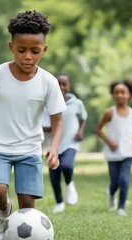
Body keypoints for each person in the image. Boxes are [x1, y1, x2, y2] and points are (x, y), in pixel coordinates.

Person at [0, 10, 66, 240]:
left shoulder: (48, 82)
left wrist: (55, 148)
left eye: (35, 51)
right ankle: (3, 211)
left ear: (44, 50)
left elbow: (58, 119)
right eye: (21, 50)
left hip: (29, 149)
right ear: (11, 47)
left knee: (27, 208)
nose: (28, 56)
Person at [96, 80, 132, 216]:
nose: (120, 95)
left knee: (124, 180)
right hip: (113, 153)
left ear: (129, 95)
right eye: (116, 93)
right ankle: (111, 195)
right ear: (113, 95)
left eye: (123, 92)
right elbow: (98, 129)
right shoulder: (109, 112)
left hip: (128, 153)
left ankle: (121, 208)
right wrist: (109, 141)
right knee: (114, 182)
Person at [43, 74, 88, 214]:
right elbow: (45, 125)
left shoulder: (77, 103)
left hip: (71, 142)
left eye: (64, 84)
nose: (61, 87)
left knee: (67, 166)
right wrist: (51, 127)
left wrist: (80, 131)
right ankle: (59, 202)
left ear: (69, 85)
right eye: (58, 84)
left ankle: (69, 183)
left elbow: (83, 118)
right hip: (54, 144)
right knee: (54, 171)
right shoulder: (48, 103)